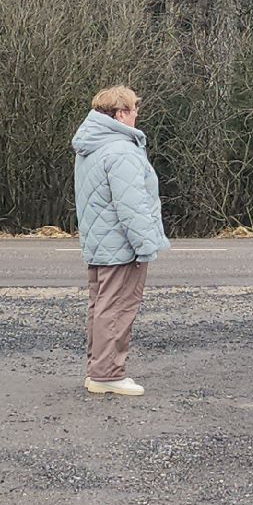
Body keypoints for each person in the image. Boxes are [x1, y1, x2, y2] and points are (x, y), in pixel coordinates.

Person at [73, 85, 170, 396]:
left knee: (100, 307)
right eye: (132, 109)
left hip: (99, 243)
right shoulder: (121, 150)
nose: (137, 114)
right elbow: (132, 205)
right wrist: (146, 246)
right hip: (120, 246)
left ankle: (98, 369)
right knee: (117, 308)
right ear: (119, 114)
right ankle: (108, 373)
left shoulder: (92, 146)